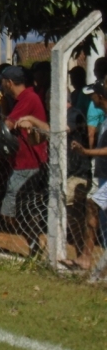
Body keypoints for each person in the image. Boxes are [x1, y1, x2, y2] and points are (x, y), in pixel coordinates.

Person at [0, 65, 48, 256]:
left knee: (11, 212)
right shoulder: (20, 99)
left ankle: (35, 247)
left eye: (3, 82)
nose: (1, 85)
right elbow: (10, 118)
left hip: (27, 163)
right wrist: (2, 104)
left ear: (9, 82)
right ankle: (34, 247)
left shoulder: (28, 98)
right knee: (18, 210)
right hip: (20, 162)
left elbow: (6, 125)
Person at [68, 80, 107, 270]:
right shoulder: (104, 119)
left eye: (93, 95)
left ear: (100, 96)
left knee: (92, 204)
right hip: (103, 175)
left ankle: (86, 257)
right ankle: (88, 259)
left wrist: (87, 152)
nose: (91, 99)